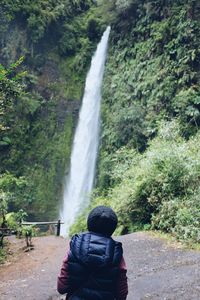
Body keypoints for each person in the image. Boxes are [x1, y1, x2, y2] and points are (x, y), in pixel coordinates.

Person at [57, 205, 128, 300]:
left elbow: (61, 287)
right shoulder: (116, 254)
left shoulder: (74, 249)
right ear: (113, 228)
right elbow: (122, 294)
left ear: (89, 223)